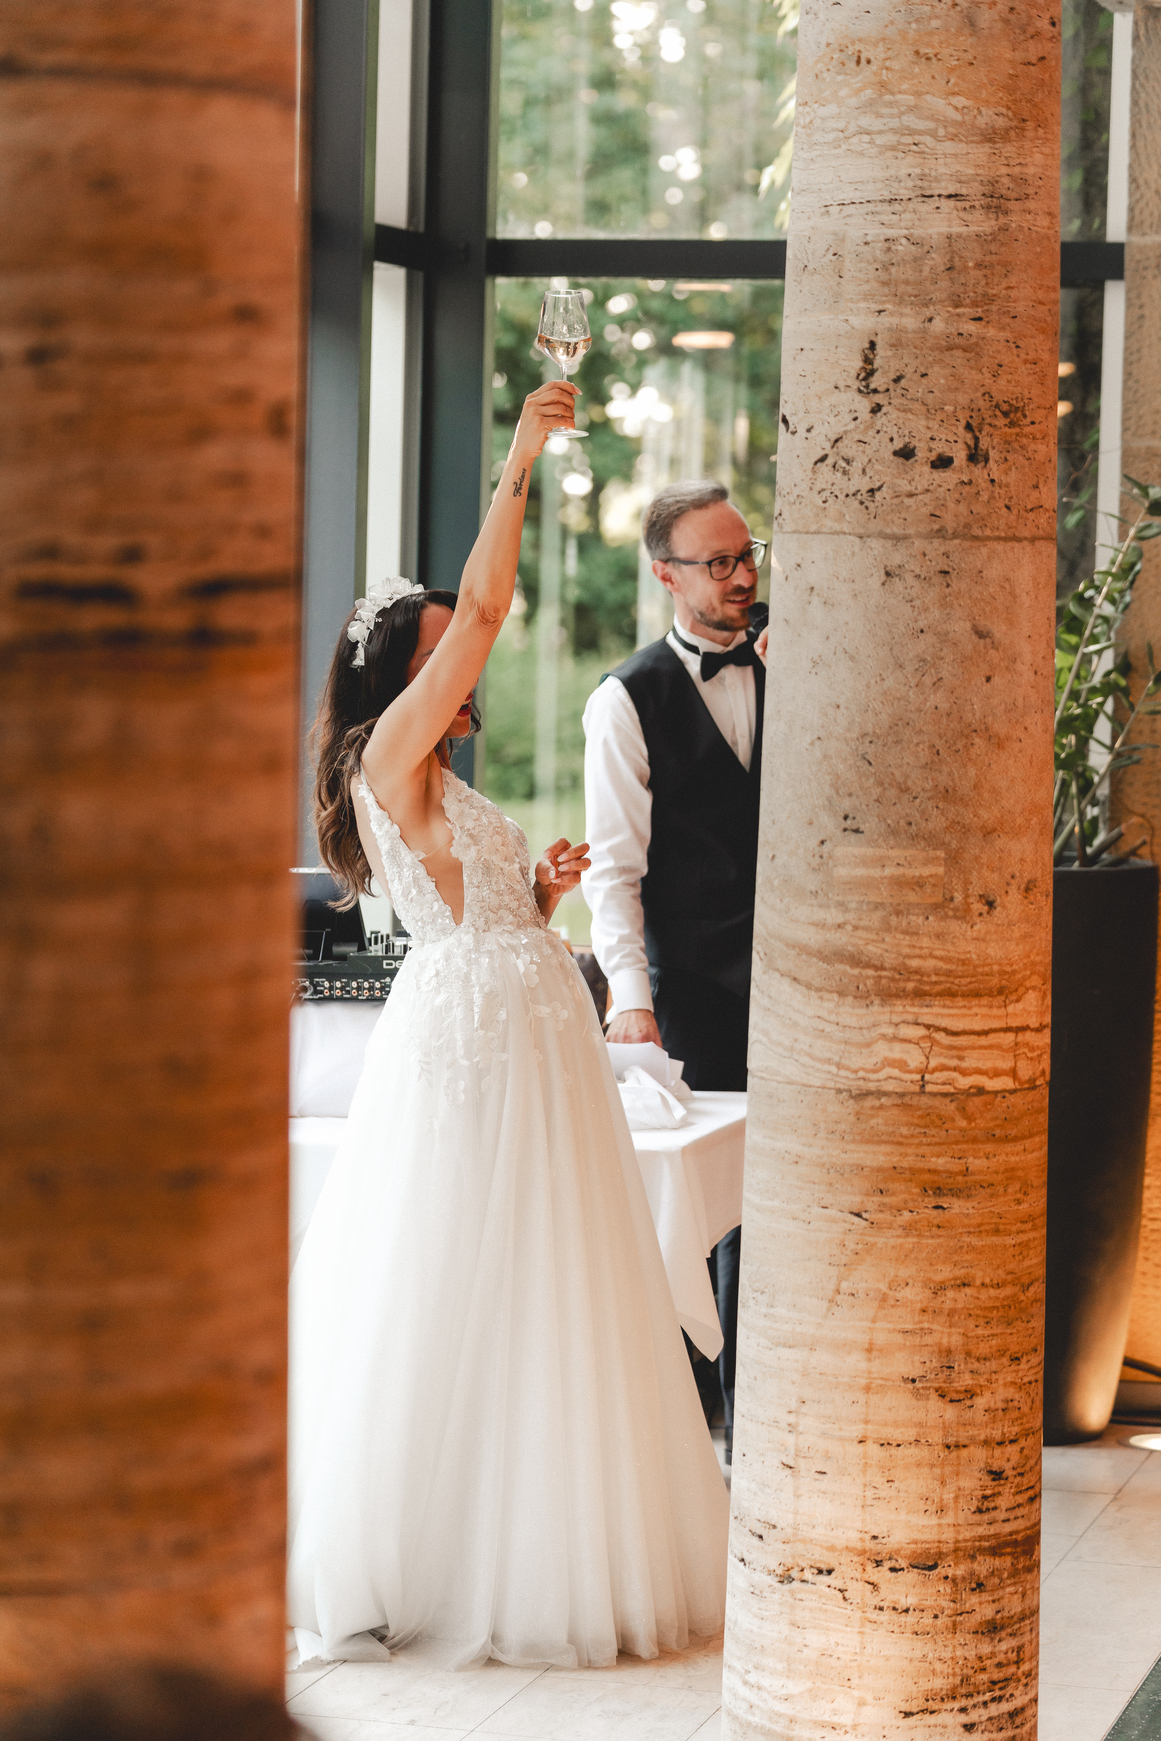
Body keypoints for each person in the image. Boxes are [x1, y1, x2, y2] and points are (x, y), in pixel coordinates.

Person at [287, 383, 728, 1670]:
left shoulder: (428, 774)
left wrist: (536, 894)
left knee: (531, 1271)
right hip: (476, 1038)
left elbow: (462, 907)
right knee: (459, 1268)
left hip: (521, 1020)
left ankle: (524, 1528)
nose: (467, 657)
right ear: (408, 673)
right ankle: (426, 1556)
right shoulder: (387, 750)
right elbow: (487, 606)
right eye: (442, 649)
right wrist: (524, 451)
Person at [581, 479, 769, 1464]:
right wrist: (632, 1001)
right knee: (705, 1214)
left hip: (804, 985)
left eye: (747, 555)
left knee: (781, 1209)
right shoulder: (625, 700)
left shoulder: (793, 660)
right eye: (718, 562)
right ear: (666, 575)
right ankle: (691, 1441)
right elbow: (613, 871)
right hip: (695, 987)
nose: (742, 576)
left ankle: (765, 1429)